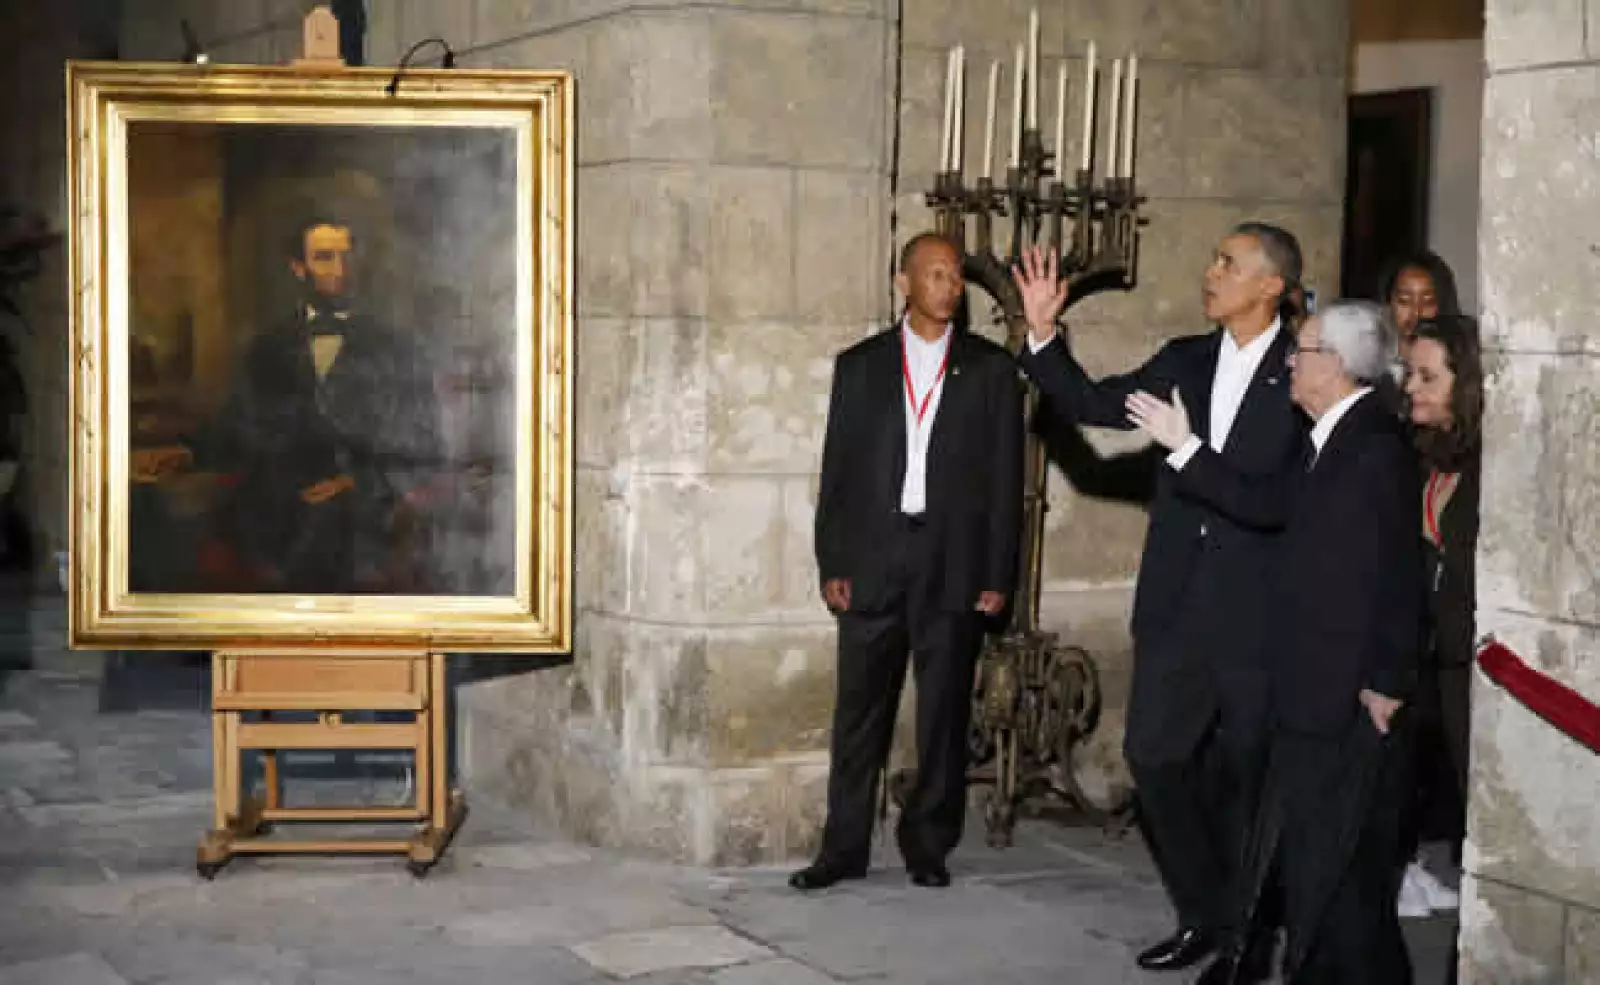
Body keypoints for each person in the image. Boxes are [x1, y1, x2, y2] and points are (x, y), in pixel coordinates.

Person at [1012, 223, 1306, 981]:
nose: (1211, 271)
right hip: (1176, 606)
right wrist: (1043, 336)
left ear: (1270, 286)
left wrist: (1187, 452)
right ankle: (1208, 911)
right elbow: (1092, 402)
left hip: (1256, 618)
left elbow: (1274, 501)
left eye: (1229, 263)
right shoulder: (1186, 358)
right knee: (1153, 756)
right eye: (1213, 258)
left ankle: (1246, 938)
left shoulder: (1303, 373)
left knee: (1247, 782)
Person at [1132, 300, 1423, 983]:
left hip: (1343, 695)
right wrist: (1185, 446)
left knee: (1343, 879)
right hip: (1307, 686)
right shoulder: (1329, 438)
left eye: (1304, 350)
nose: (1291, 361)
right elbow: (1265, 504)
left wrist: (1386, 678)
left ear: (1338, 366)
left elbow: (1400, 573)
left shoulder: (1374, 445)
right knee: (1306, 861)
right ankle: (1245, 952)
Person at [791, 232, 1023, 892]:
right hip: (872, 556)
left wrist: (995, 575)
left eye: (956, 278)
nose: (950, 287)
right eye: (937, 275)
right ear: (905, 283)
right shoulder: (859, 366)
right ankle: (842, 848)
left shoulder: (989, 370)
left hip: (951, 563)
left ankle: (928, 842)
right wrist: (831, 559)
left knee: (944, 712)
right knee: (858, 713)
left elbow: (1006, 483)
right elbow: (836, 474)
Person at [133, 216, 441, 593]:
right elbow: (239, 427)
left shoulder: (398, 350)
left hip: (363, 510)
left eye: (347, 256)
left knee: (327, 527)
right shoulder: (269, 347)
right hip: (276, 508)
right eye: (325, 257)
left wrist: (353, 483)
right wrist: (186, 453)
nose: (341, 269)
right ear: (299, 267)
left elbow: (424, 444)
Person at [1395, 316, 1484, 943]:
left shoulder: (1490, 465)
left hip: (1473, 662)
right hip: (1423, 655)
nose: (1413, 388)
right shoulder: (1415, 454)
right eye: (1409, 374)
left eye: (1429, 377)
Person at [1379, 250, 1461, 361]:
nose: (1416, 312)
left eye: (1428, 302)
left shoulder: (1456, 368)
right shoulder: (1373, 367)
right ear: (1389, 303)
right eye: (1404, 300)